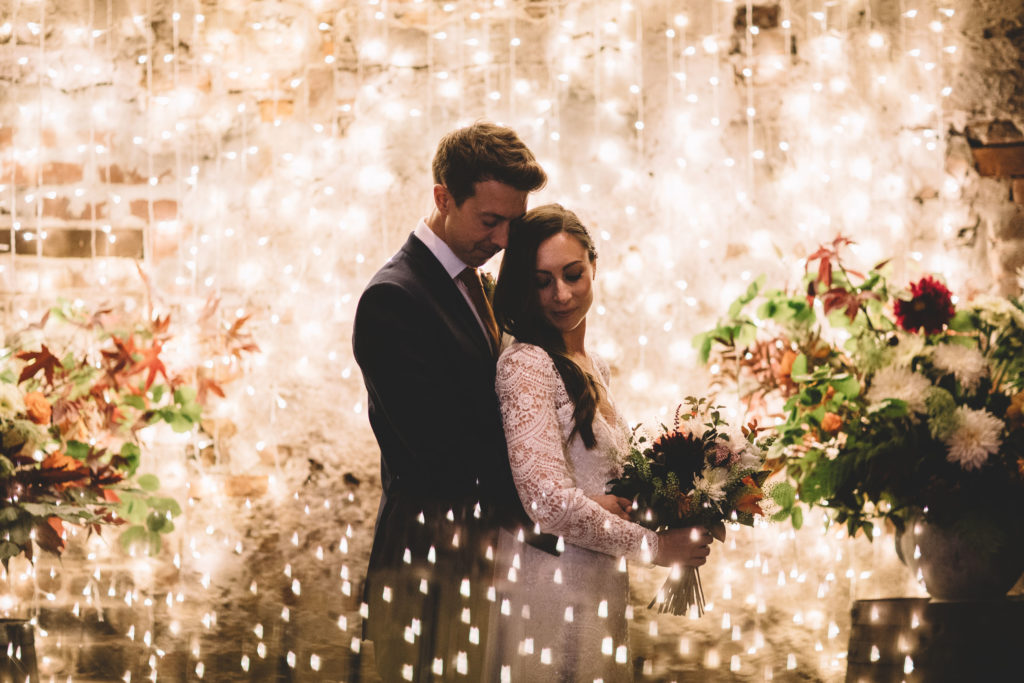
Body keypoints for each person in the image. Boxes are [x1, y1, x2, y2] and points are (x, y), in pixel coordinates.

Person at [352, 121, 554, 682]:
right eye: (490, 221)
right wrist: (561, 503)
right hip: (428, 564)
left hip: (483, 557)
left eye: (514, 223)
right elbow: (442, 453)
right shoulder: (393, 299)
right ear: (443, 197)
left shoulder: (478, 286)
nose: (504, 239)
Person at [488, 204, 714, 681]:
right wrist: (657, 547)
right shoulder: (526, 363)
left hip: (598, 581)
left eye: (573, 274)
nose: (562, 294)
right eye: (542, 281)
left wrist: (681, 501)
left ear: (595, 264)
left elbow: (602, 480)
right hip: (547, 582)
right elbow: (547, 501)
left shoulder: (597, 365)